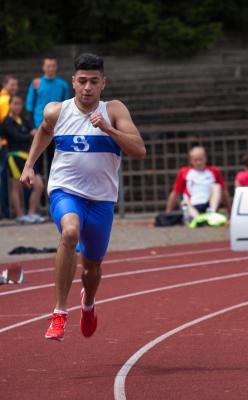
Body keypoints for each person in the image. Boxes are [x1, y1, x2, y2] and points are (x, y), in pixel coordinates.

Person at [20, 53, 146, 341]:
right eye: (82, 81)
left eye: (93, 82)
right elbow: (43, 132)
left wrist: (107, 129)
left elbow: (139, 150)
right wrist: (29, 165)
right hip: (66, 191)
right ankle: (59, 313)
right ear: (73, 82)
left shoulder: (113, 110)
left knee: (92, 270)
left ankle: (88, 303)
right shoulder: (57, 111)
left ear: (103, 82)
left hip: (101, 201)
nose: (87, 87)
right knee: (70, 232)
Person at [2, 96, 45, 224]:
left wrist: (32, 133)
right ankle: (20, 215)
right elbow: (17, 137)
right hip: (14, 157)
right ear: (10, 105)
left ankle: (31, 213)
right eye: (15, 104)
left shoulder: (24, 119)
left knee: (39, 185)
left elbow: (34, 131)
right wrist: (30, 134)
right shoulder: (6, 122)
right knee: (16, 187)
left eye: (19, 104)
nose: (17, 107)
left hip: (28, 158)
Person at [25, 57, 71, 172]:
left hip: (57, 128)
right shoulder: (36, 83)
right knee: (36, 161)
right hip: (38, 127)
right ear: (43, 67)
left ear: (56, 67)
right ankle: (38, 188)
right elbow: (30, 106)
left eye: (53, 66)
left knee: (54, 160)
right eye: (48, 66)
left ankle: (52, 188)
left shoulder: (63, 85)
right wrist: (32, 127)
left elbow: (66, 106)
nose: (50, 68)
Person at [166, 146, 231, 220]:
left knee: (217, 186)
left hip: (208, 204)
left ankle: (211, 212)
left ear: (205, 159)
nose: (199, 162)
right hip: (192, 205)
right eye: (195, 160)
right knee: (184, 202)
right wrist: (168, 213)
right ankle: (197, 218)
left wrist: (229, 211)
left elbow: (223, 192)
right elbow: (175, 193)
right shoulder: (184, 172)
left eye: (201, 160)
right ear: (191, 160)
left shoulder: (214, 171)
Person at [0, 75, 19, 218]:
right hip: (5, 144)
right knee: (6, 180)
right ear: (5, 84)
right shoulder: (6, 100)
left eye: (16, 85)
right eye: (12, 85)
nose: (15, 88)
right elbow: (7, 122)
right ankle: (5, 211)